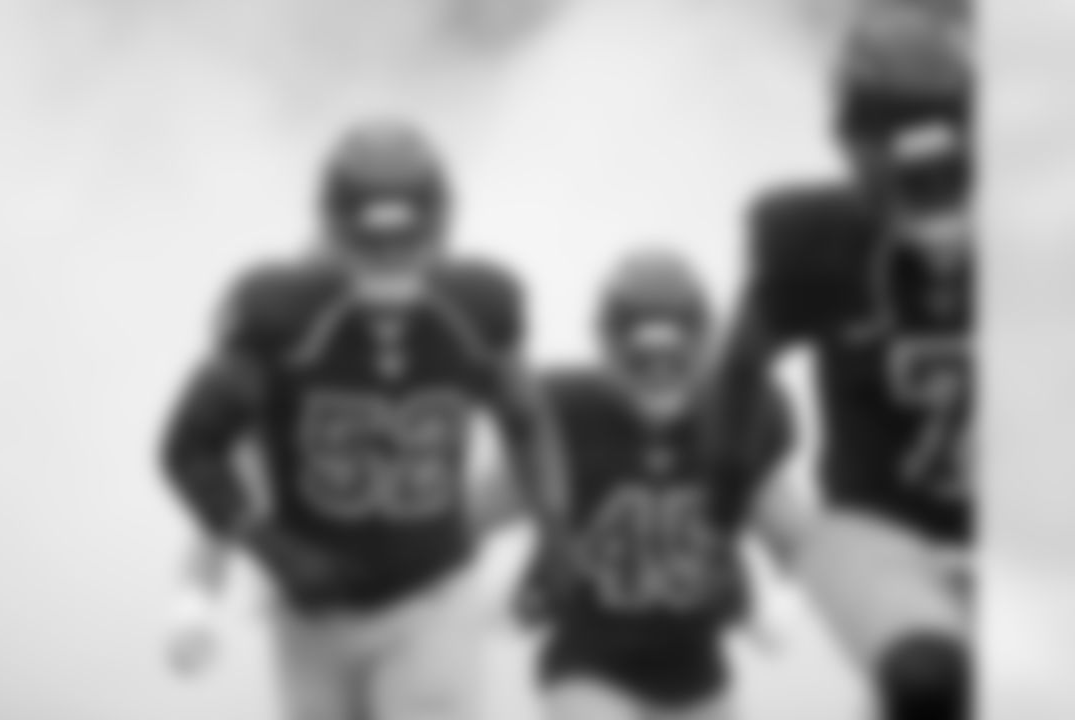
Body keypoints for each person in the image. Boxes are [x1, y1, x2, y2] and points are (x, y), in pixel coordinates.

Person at [158, 118, 561, 720]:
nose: (386, 267)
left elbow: (528, 428)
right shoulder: (281, 330)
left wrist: (546, 534)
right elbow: (211, 472)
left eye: (403, 245)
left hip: (427, 597)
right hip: (314, 613)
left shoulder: (465, 314)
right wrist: (202, 593)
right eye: (370, 249)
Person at [724, 7, 975, 719]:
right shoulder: (820, 242)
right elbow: (731, 388)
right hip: (879, 531)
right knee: (929, 682)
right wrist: (760, 519)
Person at [516, 250, 811, 720]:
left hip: (698, 675)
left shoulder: (741, 415)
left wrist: (785, 596)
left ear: (704, 345)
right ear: (606, 345)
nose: (657, 373)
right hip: (589, 665)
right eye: (641, 359)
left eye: (674, 358)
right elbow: (471, 516)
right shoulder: (565, 411)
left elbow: (795, 539)